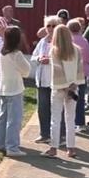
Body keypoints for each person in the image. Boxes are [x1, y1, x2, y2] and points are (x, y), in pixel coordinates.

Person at [44, 24, 85, 158]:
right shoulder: (77, 50)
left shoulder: (54, 51)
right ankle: (71, 148)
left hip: (59, 88)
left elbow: (57, 71)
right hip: (73, 87)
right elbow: (80, 70)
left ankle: (53, 148)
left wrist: (65, 86)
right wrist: (73, 85)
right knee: (70, 119)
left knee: (55, 118)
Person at [0, 26, 31, 157]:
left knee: (3, 118)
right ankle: (12, 147)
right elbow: (27, 71)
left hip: (4, 88)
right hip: (15, 88)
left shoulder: (2, 52)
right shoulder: (16, 54)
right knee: (14, 120)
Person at [32, 15, 61, 143]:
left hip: (56, 81)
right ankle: (44, 134)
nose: (50, 28)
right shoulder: (42, 41)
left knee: (57, 109)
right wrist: (39, 58)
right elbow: (33, 56)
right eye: (48, 25)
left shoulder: (61, 41)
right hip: (42, 81)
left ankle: (60, 136)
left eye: (53, 25)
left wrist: (49, 61)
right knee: (42, 109)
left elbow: (64, 59)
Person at [68, 19, 89, 134]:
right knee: (81, 99)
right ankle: (81, 123)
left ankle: (70, 123)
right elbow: (88, 57)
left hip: (70, 74)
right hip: (82, 73)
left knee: (69, 99)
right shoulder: (84, 40)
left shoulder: (68, 41)